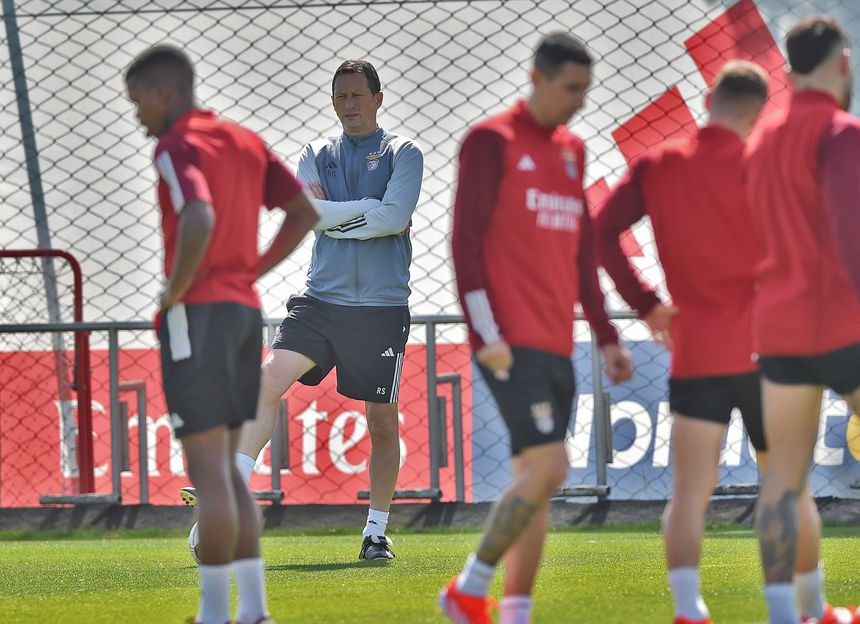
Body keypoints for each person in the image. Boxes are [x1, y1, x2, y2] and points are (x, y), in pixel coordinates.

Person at [595, 60, 843, 624]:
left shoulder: (659, 164)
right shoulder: (769, 163)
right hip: (770, 349)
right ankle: (801, 609)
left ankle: (689, 609)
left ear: (709, 101)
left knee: (689, 491)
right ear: (758, 113)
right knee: (787, 486)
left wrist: (646, 304)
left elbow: (601, 232)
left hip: (696, 350)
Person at [178, 59, 424, 561]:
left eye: (358, 95)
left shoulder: (404, 152)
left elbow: (394, 216)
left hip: (381, 308)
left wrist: (343, 218)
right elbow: (316, 215)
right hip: (320, 301)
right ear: (332, 102)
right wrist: (371, 211)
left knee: (381, 421)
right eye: (341, 96)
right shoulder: (317, 152)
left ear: (378, 99)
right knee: (266, 381)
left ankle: (376, 532)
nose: (349, 104)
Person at [441, 33, 633, 624]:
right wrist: (485, 336)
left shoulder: (572, 149)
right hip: (509, 341)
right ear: (537, 78)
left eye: (585, 89)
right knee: (551, 469)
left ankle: (515, 611)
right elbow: (465, 243)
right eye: (570, 88)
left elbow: (582, 253)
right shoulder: (490, 140)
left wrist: (605, 335)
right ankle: (469, 588)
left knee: (536, 481)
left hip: (556, 342)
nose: (579, 100)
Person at [125, 44, 318, 624]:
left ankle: (213, 614)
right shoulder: (244, 139)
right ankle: (253, 612)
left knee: (208, 473)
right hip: (242, 314)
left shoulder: (175, 144)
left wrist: (175, 289)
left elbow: (199, 215)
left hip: (199, 315)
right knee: (229, 475)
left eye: (138, 102)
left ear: (163, 92)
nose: (138, 116)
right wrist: (250, 272)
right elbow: (303, 211)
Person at [743, 15, 860, 624]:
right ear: (843, 62)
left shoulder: (761, 139)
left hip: (780, 331)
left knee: (784, 483)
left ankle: (785, 614)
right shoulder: (842, 133)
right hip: (842, 322)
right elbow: (851, 236)